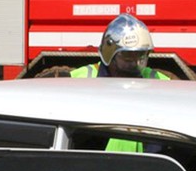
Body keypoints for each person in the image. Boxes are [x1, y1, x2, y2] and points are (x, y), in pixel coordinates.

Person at [71, 13, 169, 152]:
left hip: (143, 168)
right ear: (109, 54)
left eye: (140, 57)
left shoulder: (161, 83)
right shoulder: (78, 81)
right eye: (128, 58)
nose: (134, 65)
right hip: (93, 167)